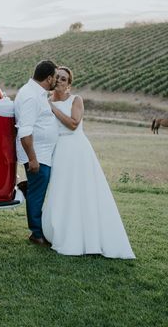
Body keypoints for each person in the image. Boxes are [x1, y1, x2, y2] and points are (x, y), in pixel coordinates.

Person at [42, 67, 135, 258]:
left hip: (76, 149)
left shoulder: (75, 100)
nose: (59, 80)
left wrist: (52, 108)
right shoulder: (45, 101)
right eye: (57, 77)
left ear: (69, 84)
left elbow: (74, 124)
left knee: (83, 191)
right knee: (62, 191)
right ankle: (62, 231)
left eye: (64, 78)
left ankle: (89, 237)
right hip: (58, 150)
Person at [14, 60, 58, 246]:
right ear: (49, 78)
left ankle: (38, 230)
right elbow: (25, 131)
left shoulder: (36, 93)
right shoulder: (31, 96)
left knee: (37, 190)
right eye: (56, 77)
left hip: (43, 152)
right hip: (38, 154)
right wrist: (33, 159)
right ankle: (37, 234)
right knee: (37, 194)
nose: (56, 80)